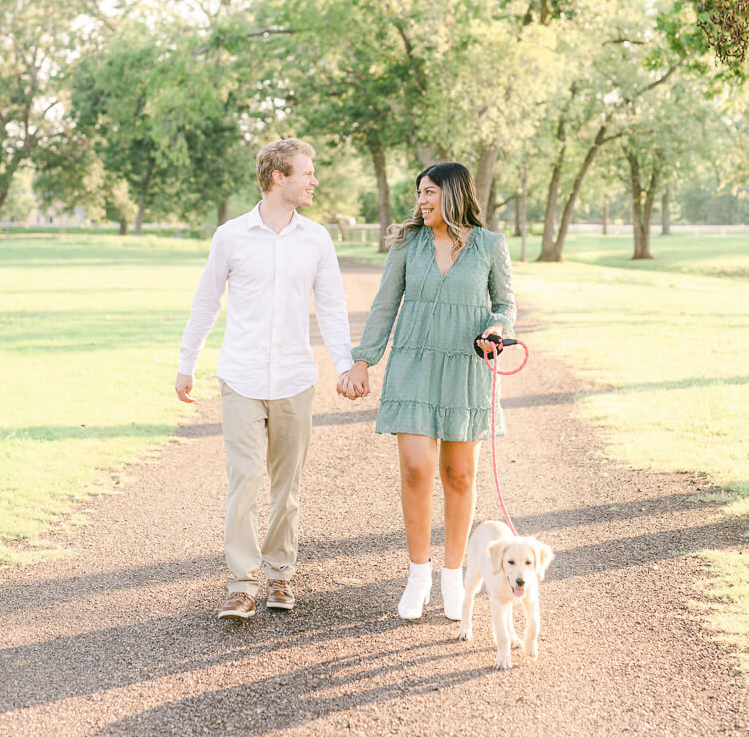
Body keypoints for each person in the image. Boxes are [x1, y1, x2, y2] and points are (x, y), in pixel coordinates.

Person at [175, 138, 355, 620]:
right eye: (307, 172)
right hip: (241, 377)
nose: (314, 180)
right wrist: (186, 362)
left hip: (296, 378)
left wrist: (343, 364)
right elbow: (206, 301)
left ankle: (279, 577)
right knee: (244, 481)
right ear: (280, 176)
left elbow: (333, 307)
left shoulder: (316, 238)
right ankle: (240, 584)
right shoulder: (231, 236)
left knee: (287, 485)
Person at [340, 161, 516, 623]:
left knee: (459, 476)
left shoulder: (491, 245)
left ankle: (452, 577)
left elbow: (504, 304)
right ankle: (419, 575)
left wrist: (496, 327)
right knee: (417, 470)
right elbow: (384, 304)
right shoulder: (407, 244)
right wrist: (363, 360)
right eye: (419, 193)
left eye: (430, 192)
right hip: (414, 363)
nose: (421, 201)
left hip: (465, 367)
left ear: (455, 194)